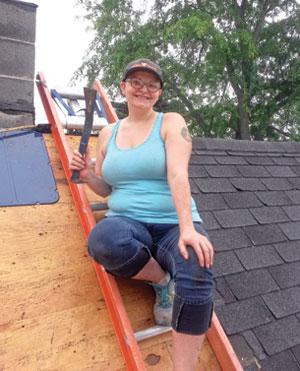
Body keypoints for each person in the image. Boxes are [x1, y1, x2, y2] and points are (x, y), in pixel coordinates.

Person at [69, 58, 214, 371]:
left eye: (151, 85)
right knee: (103, 240)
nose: (143, 89)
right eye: (136, 82)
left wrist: (188, 229)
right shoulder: (107, 133)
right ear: (124, 87)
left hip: (175, 222)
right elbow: (107, 189)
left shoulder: (172, 122)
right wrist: (87, 175)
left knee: (198, 268)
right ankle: (162, 282)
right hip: (128, 222)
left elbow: (178, 174)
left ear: (158, 93)